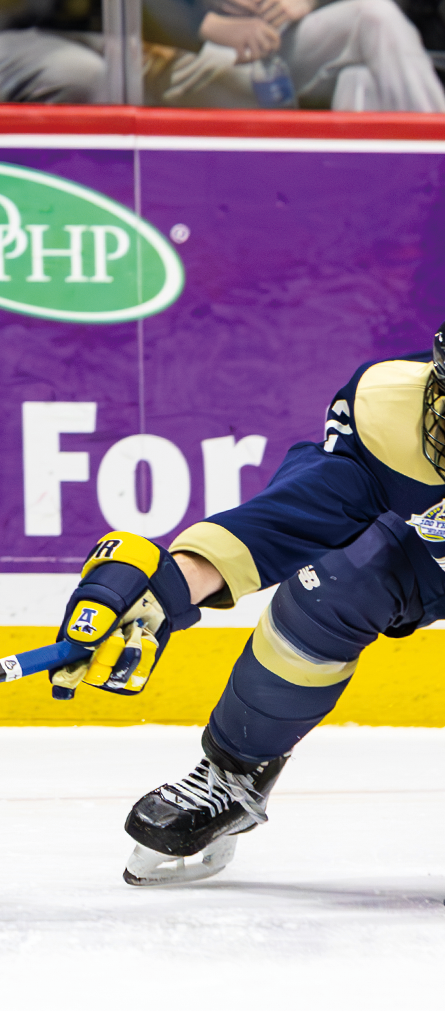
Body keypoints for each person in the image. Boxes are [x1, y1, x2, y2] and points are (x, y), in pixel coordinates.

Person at [50, 328, 445, 886]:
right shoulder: (392, 405)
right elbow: (306, 508)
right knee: (333, 585)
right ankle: (235, 770)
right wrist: (170, 584)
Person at [142, 0, 445, 110]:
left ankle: (358, 199)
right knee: (374, 18)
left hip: (276, 48)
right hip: (192, 56)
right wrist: (206, 21)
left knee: (361, 76)